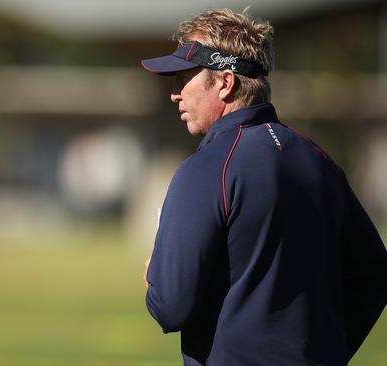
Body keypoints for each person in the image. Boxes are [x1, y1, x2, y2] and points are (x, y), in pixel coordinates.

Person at [141, 8, 387, 365]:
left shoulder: (205, 169)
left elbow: (171, 307)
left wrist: (153, 274)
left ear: (225, 83)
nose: (174, 94)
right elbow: (375, 274)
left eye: (183, 78)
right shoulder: (318, 160)